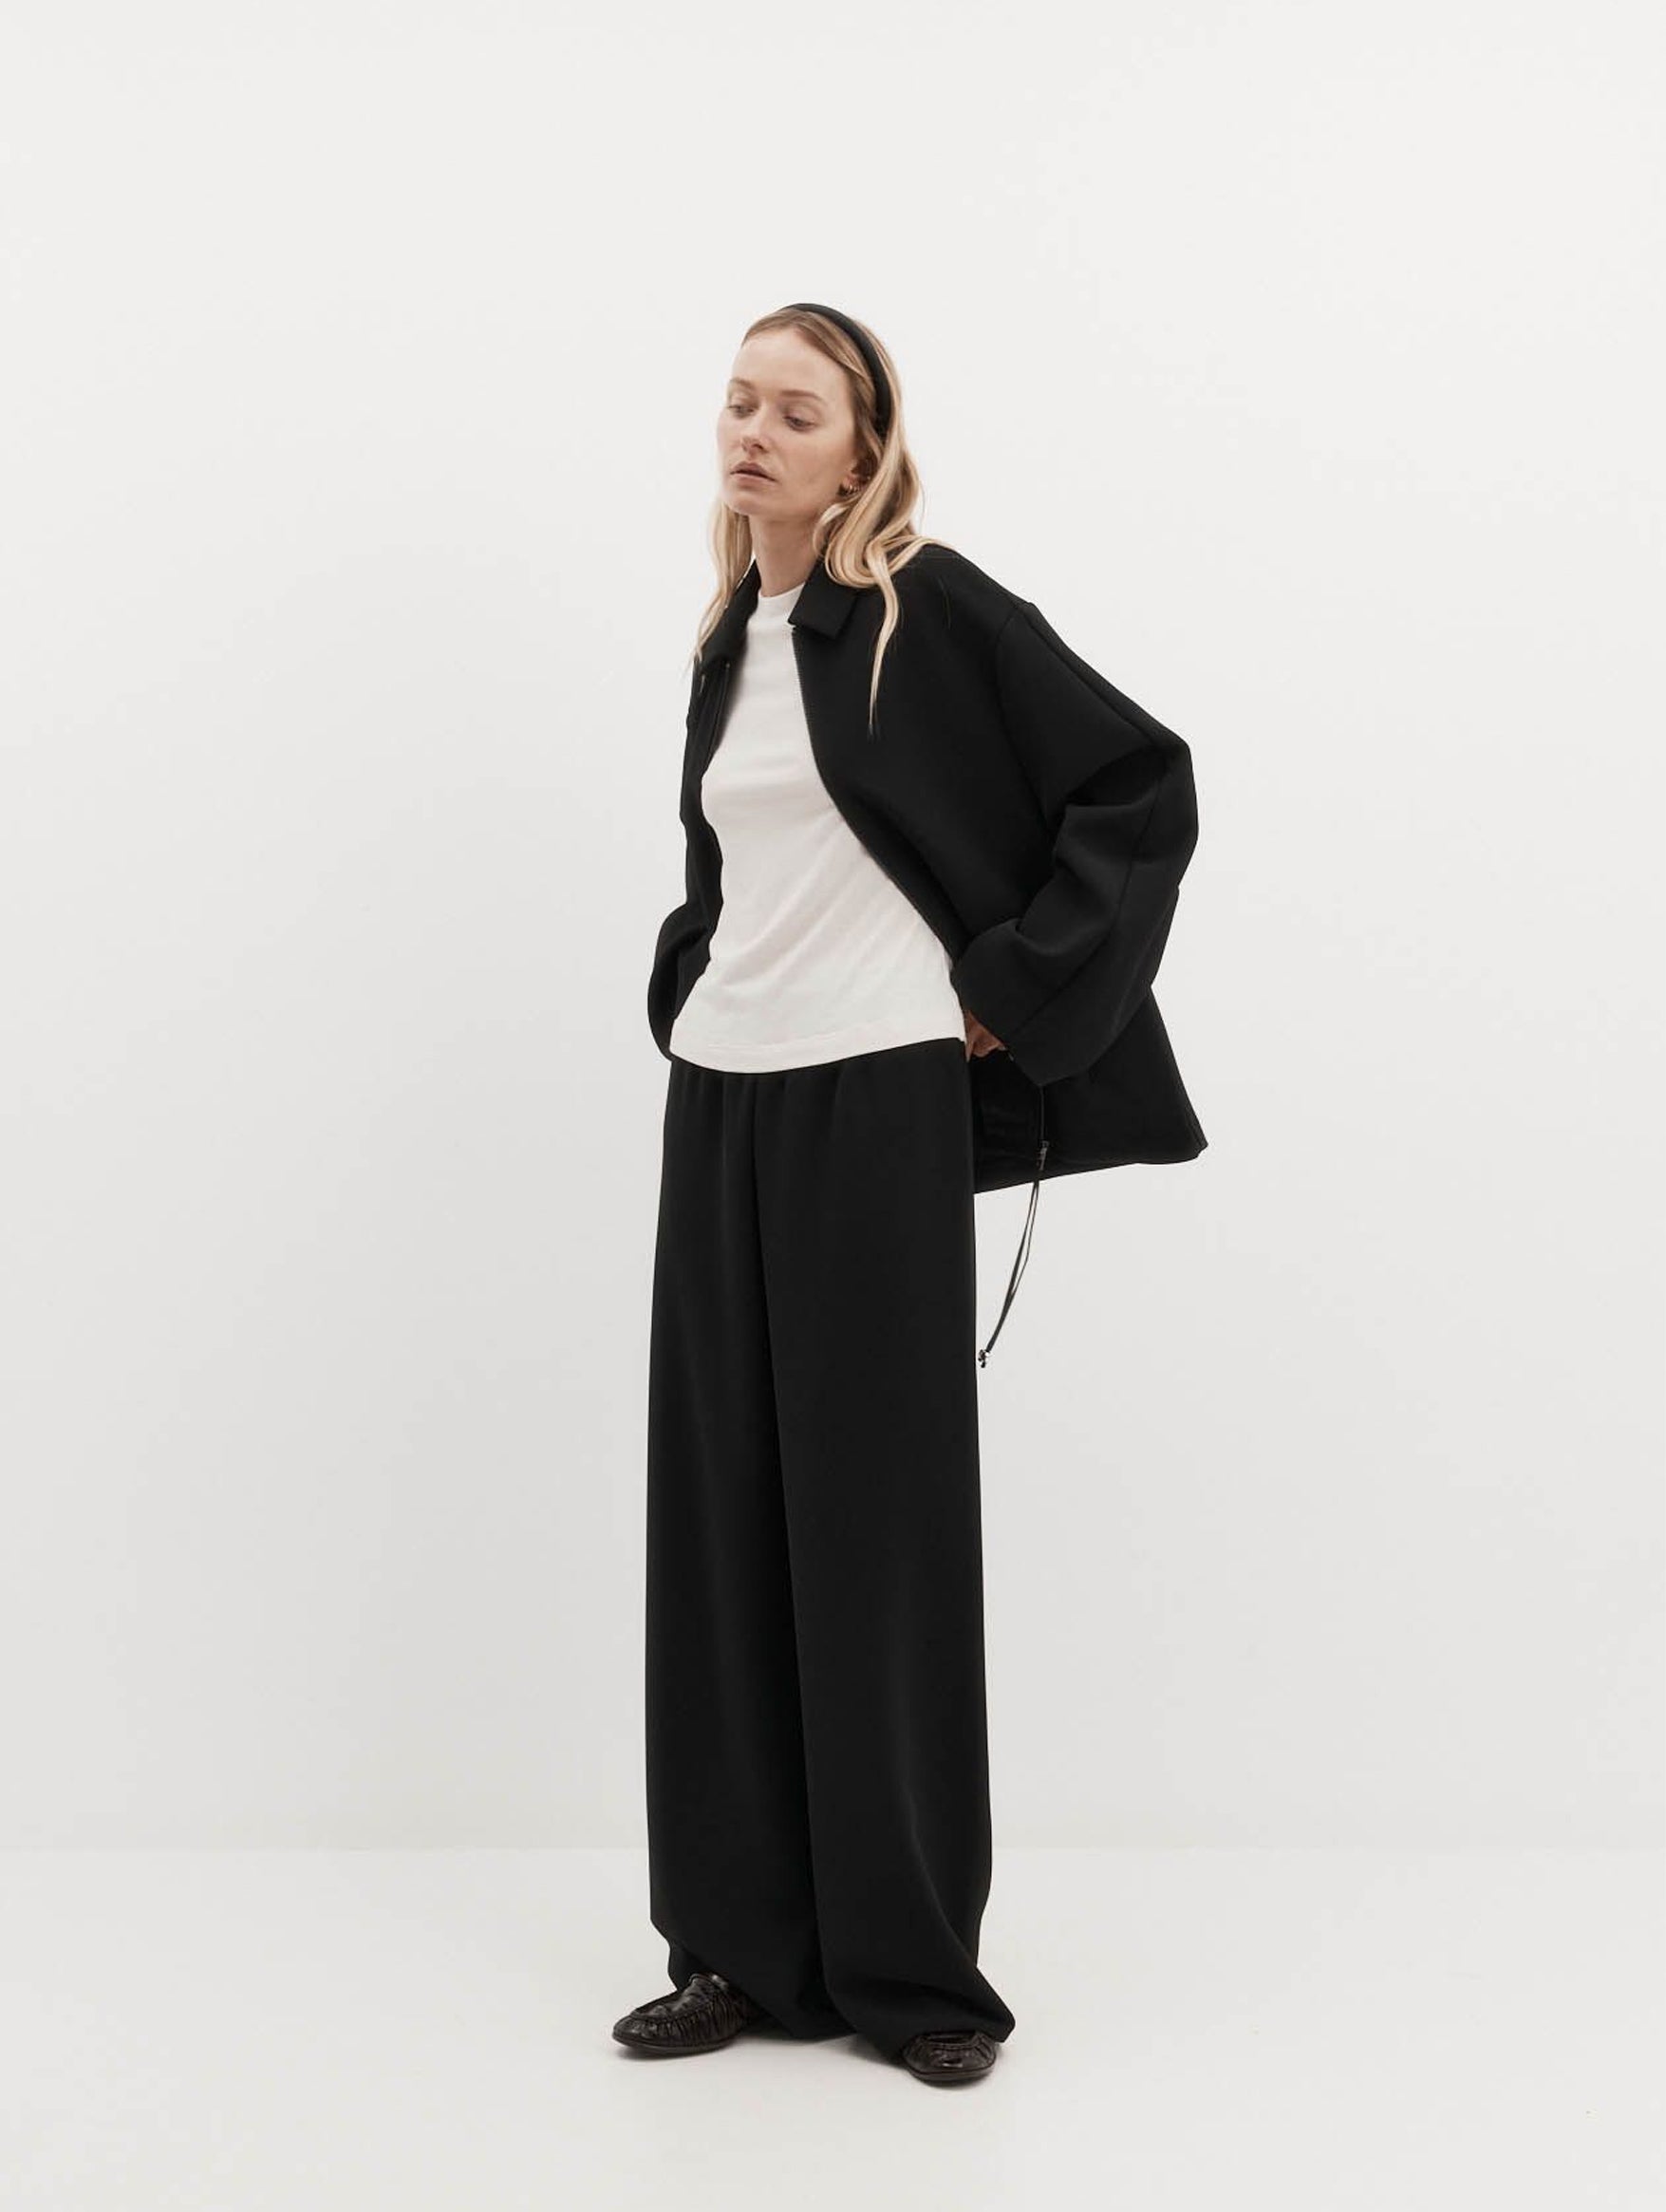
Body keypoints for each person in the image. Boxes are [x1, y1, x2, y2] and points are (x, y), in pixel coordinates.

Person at [612, 303, 1207, 2087]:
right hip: (723, 1100)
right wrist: (688, 982)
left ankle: (915, 1971)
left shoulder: (923, 610)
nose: (754, 430)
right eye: (739, 400)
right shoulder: (732, 632)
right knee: (722, 1524)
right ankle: (737, 1951)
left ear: (863, 448)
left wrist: (1014, 986)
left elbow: (1138, 779)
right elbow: (730, 867)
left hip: (876, 1099)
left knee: (878, 1529)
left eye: (796, 411)